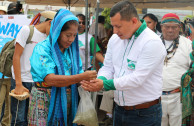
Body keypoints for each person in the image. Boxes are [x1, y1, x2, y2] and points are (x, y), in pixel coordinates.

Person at [81, 1, 166, 126]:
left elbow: (137, 79)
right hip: (119, 109)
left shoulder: (152, 42)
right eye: (113, 26)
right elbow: (108, 67)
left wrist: (104, 84)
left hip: (144, 113)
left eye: (118, 26)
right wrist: (100, 80)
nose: (114, 31)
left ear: (133, 21)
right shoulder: (115, 39)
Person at [29, 9, 97, 126]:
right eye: (68, 35)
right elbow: (50, 79)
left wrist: (88, 82)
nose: (71, 39)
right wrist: (81, 76)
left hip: (67, 101)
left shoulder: (72, 52)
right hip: (44, 101)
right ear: (57, 32)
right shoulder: (42, 49)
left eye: (75, 35)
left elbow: (79, 77)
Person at [10, 11, 56, 126]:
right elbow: (16, 57)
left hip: (37, 84)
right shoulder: (27, 30)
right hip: (22, 80)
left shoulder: (48, 39)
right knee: (18, 119)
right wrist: (18, 84)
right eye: (55, 29)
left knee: (32, 119)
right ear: (49, 23)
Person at [160, 13, 192, 126]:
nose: (170, 30)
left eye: (174, 27)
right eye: (167, 26)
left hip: (179, 97)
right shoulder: (153, 43)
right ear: (161, 27)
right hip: (156, 97)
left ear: (179, 27)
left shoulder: (188, 44)